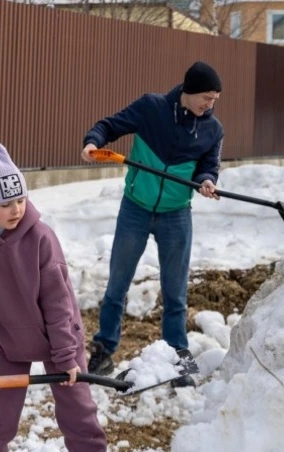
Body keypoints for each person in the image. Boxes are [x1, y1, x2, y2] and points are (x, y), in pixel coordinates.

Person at [0, 139, 107, 452]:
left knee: (78, 412)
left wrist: (65, 356)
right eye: (6, 204)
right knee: (0, 416)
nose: (16, 209)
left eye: (20, 199)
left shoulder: (40, 237)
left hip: (61, 339)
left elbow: (58, 301)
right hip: (9, 340)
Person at [80, 61, 224, 385]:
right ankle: (103, 348)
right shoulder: (151, 108)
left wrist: (206, 181)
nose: (210, 105)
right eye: (207, 97)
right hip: (136, 209)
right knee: (118, 282)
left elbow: (208, 165)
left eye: (215, 99)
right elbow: (110, 125)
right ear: (189, 91)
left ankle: (176, 356)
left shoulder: (212, 129)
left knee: (175, 292)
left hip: (176, 215)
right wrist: (93, 141)